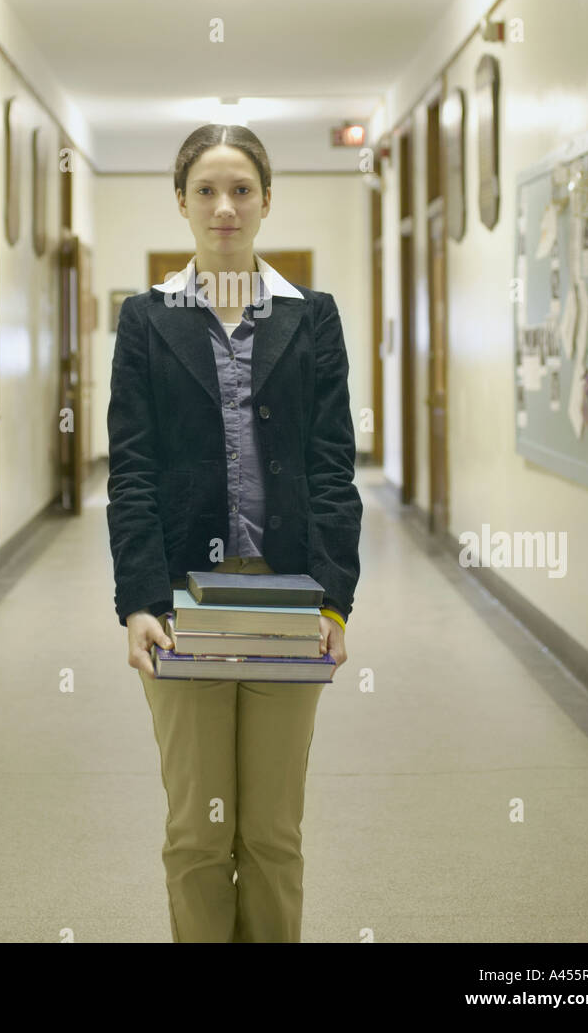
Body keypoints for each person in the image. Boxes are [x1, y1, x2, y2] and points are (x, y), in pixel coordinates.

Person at [106, 123, 363, 942]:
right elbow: (133, 469)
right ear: (180, 203)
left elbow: (332, 468)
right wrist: (138, 598)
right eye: (207, 190)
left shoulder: (311, 318)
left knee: (273, 834)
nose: (225, 207)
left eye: (242, 189)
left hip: (288, 597)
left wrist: (337, 601)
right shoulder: (146, 322)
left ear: (266, 202)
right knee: (196, 833)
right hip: (185, 599)